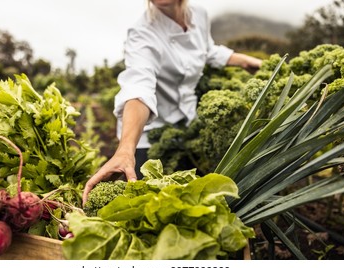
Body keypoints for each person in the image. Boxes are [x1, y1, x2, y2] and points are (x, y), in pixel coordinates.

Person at [82, 0, 262, 205]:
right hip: (148, 134)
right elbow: (139, 85)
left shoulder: (199, 14)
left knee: (189, 202)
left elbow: (207, 50)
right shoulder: (142, 32)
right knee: (150, 207)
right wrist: (125, 150)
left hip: (187, 124)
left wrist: (246, 61)